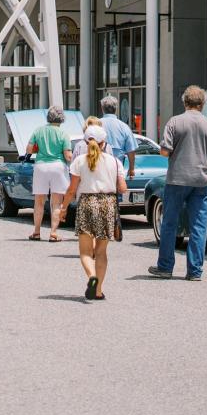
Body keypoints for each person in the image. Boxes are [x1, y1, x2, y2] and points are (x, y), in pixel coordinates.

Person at [148, 86, 207, 281]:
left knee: (170, 223)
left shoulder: (175, 122)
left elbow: (164, 151)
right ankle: (195, 271)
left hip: (177, 179)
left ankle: (165, 267)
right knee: (199, 226)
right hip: (201, 181)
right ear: (202, 104)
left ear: (185, 101)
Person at [60, 126, 127, 300]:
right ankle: (98, 291)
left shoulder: (79, 161)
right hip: (108, 204)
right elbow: (122, 188)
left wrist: (63, 208)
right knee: (101, 252)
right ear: (104, 143)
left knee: (85, 252)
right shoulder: (114, 162)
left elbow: (71, 190)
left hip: (87, 204)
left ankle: (92, 277)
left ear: (85, 141)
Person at [26, 106, 72, 242]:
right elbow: (68, 155)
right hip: (58, 166)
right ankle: (53, 233)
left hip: (41, 166)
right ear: (62, 118)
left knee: (39, 201)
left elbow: (29, 149)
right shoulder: (64, 134)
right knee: (56, 202)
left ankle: (36, 232)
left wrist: (40, 149)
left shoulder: (38, 131)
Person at [100, 95, 137, 179]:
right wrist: (131, 169)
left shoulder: (96, 124)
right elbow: (131, 151)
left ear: (102, 109)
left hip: (97, 170)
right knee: (117, 191)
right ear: (116, 109)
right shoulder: (124, 127)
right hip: (116, 170)